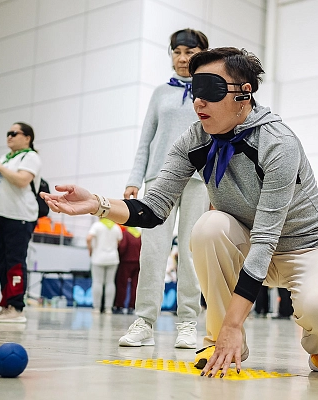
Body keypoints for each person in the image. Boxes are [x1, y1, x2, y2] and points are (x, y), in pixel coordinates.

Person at [43, 47, 318, 376]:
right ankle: (219, 338)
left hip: (306, 247)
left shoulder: (278, 143)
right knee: (208, 227)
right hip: (248, 243)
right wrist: (98, 204)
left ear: (244, 93)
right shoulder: (194, 140)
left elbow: (266, 238)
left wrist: (235, 323)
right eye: (195, 90)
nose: (198, 102)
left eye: (210, 90)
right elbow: (153, 209)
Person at [119, 28, 211, 349]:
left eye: (190, 52)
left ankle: (187, 322)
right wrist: (134, 179)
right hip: (159, 178)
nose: (182, 58)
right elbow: (146, 139)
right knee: (152, 251)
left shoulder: (212, 91)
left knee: (191, 251)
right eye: (177, 52)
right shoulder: (160, 93)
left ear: (202, 54)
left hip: (199, 179)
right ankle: (144, 321)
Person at [0, 122, 41, 323]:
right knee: (1, 262)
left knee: (15, 261)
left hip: (19, 215)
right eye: (8, 133)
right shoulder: (4, 158)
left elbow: (22, 180)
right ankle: (6, 305)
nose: (10, 136)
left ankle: (16, 307)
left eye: (14, 133)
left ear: (27, 138)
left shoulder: (30, 157)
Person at [86, 218, 122, 313]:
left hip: (98, 257)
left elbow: (88, 238)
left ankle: (96, 308)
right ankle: (108, 308)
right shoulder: (116, 227)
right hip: (113, 258)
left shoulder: (97, 225)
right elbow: (119, 241)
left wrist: (90, 250)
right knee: (110, 283)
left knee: (97, 282)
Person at [114, 225, 141, 314]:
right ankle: (132, 306)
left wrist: (119, 256)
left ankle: (120, 305)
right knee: (135, 285)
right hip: (137, 262)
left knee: (122, 284)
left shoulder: (125, 234)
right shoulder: (139, 235)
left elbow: (122, 247)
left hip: (126, 261)